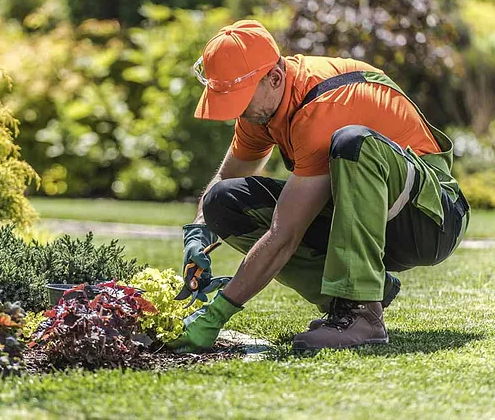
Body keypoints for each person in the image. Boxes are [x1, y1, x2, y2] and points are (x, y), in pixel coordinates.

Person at [166, 20, 470, 352]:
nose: (234, 113)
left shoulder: (323, 106)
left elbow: (284, 235)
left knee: (353, 142)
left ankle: (362, 314)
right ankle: (357, 297)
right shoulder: (263, 110)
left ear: (275, 78)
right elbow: (225, 180)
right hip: (373, 218)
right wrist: (198, 233)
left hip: (430, 220)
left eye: (239, 100)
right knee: (221, 201)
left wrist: (217, 313)